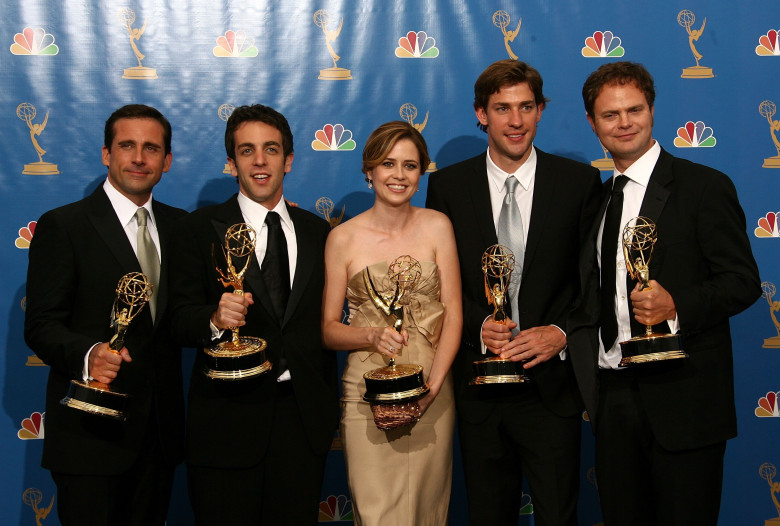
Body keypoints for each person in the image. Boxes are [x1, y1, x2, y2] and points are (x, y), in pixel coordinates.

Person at [569, 61, 761, 525]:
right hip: (614, 398)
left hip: (684, 398)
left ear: (652, 111)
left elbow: (742, 282)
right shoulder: (597, 200)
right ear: (592, 123)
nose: (624, 123)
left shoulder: (703, 186)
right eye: (610, 114)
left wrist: (677, 306)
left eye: (634, 110)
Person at [426, 60, 601, 525]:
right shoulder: (448, 186)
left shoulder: (578, 183)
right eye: (502, 108)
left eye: (526, 106)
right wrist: (479, 325)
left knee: (559, 516)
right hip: (479, 388)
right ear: (481, 113)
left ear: (541, 110)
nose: (516, 120)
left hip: (552, 388)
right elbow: (438, 283)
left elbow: (594, 282)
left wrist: (561, 333)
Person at [168, 104, 338, 524]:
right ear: (232, 163)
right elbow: (175, 319)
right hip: (227, 422)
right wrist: (213, 319)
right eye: (247, 151)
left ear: (288, 160)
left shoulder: (319, 232)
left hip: (302, 425)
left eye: (271, 149)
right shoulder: (198, 229)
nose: (260, 161)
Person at [24, 104, 186, 525]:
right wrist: (89, 353)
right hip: (89, 435)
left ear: (167, 161)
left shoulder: (182, 228)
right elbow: (41, 324)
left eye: (151, 148)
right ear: (106, 154)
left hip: (158, 439)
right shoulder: (65, 226)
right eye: (127, 145)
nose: (139, 158)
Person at [322, 121, 462, 525]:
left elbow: (453, 314)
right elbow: (328, 329)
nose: (399, 175)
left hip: (432, 388)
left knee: (427, 512)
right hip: (368, 395)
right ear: (369, 170)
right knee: (378, 514)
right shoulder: (342, 238)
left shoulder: (438, 226)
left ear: (421, 173)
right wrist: (370, 334)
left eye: (410, 165)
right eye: (388, 163)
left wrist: (431, 390)